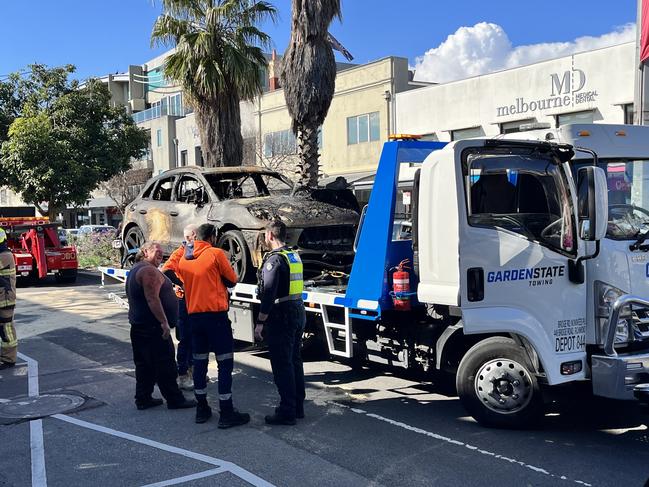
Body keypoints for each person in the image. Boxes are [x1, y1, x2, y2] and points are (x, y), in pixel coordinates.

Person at [177, 223, 250, 427]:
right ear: (212, 236)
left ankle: (202, 409)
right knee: (224, 364)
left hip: (195, 319)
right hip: (216, 318)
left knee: (199, 363)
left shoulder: (184, 257)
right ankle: (226, 413)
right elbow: (232, 280)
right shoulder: (216, 254)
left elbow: (177, 277)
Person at [126, 241, 196, 411]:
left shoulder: (137, 268)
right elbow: (152, 299)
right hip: (152, 328)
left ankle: (143, 398)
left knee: (145, 365)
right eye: (157, 251)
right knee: (165, 365)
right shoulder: (148, 271)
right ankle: (174, 400)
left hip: (140, 327)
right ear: (145, 251)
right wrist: (163, 322)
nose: (161, 254)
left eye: (162, 252)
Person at [254, 220, 306, 426]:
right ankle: (298, 406)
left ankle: (286, 411)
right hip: (297, 309)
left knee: (282, 364)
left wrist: (260, 322)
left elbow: (268, 294)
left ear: (269, 236)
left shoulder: (274, 261)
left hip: (282, 314)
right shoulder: (294, 256)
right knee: (295, 360)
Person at [162, 224, 197, 391]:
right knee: (186, 339)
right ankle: (183, 374)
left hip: (197, 301)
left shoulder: (198, 252)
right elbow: (166, 270)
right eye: (194, 237)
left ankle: (192, 370)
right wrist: (182, 284)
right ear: (191, 237)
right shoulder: (180, 252)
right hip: (184, 301)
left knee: (195, 338)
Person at [0, 228, 17, 370]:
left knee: (6, 329)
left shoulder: (5, 256)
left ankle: (9, 359)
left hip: (5, 299)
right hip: (3, 298)